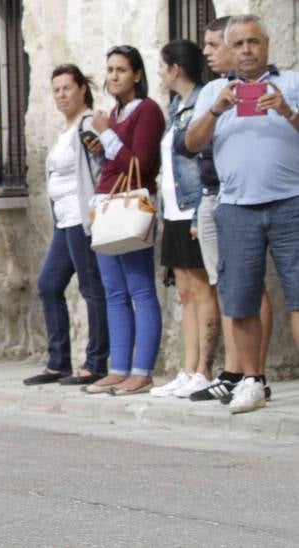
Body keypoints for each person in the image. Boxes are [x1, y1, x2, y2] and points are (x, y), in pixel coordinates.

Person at [184, 14, 299, 414]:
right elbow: (192, 143)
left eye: (254, 42)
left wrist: (286, 109)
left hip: (291, 202)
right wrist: (217, 109)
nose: (247, 50)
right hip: (235, 207)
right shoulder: (215, 89)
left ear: (267, 45)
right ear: (229, 50)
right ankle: (252, 380)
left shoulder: (291, 83)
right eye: (239, 44)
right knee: (241, 299)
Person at [82, 45, 165, 398]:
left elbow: (141, 164)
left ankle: (142, 370)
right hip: (107, 205)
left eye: (120, 70)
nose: (113, 76)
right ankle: (119, 368)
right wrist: (104, 142)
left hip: (131, 205)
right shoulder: (114, 113)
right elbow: (117, 159)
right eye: (109, 69)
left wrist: (107, 134)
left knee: (140, 288)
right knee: (114, 291)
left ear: (137, 75)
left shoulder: (147, 110)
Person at [25, 64, 108, 387]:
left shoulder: (88, 124)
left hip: (82, 218)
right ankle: (58, 362)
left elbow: (101, 165)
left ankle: (96, 362)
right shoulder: (65, 130)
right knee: (48, 284)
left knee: (91, 288)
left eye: (67, 88)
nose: (61, 95)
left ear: (81, 89)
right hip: (64, 220)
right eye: (56, 89)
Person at [149, 40, 219, 400]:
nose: (159, 73)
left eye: (162, 66)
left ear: (176, 68)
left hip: (194, 208)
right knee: (186, 292)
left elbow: (204, 160)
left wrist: (196, 214)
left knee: (203, 289)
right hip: (173, 210)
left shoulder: (203, 100)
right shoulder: (175, 106)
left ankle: (205, 369)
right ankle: (189, 367)